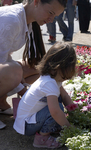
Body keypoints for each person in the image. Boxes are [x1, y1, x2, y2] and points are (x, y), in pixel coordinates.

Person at [0, 0, 66, 129]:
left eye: (55, 16)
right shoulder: (12, 19)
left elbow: (4, 57)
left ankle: (1, 103)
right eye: (50, 13)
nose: (51, 20)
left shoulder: (26, 20)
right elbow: (3, 64)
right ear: (36, 2)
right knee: (14, 71)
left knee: (40, 68)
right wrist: (24, 91)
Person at [13, 41, 77, 149]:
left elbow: (65, 96)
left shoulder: (53, 77)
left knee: (59, 101)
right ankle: (41, 139)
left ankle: (50, 127)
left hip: (28, 120)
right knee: (57, 109)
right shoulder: (49, 83)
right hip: (26, 125)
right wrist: (70, 128)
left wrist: (74, 111)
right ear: (59, 67)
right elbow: (55, 112)